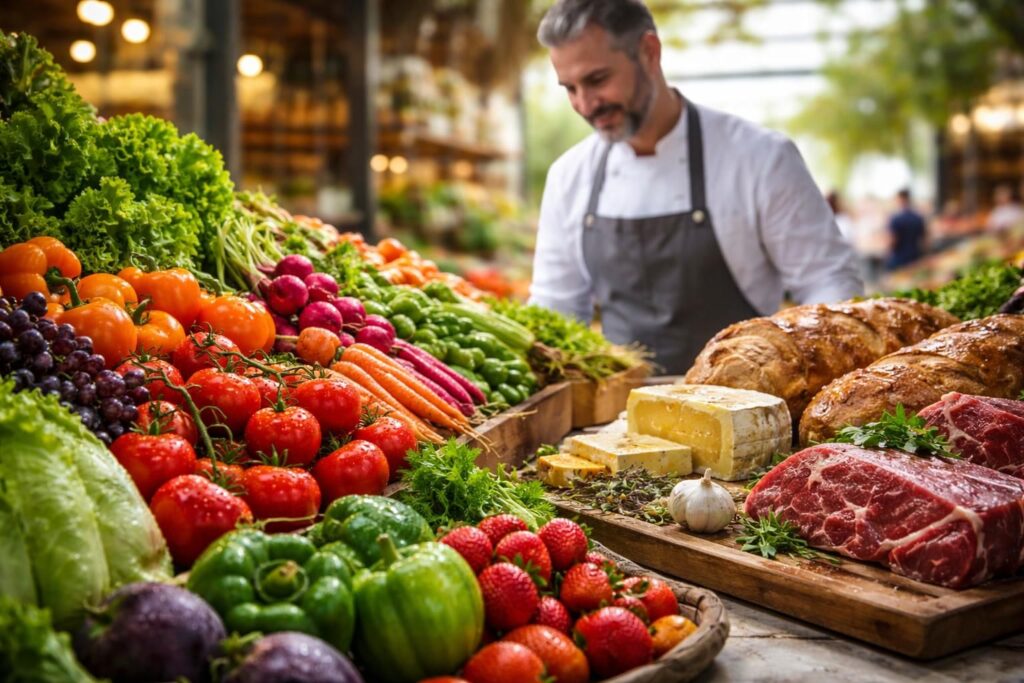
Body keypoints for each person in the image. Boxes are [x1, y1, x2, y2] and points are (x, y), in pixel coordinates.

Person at [528, 0, 863, 374]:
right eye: (569, 88)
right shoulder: (569, 176)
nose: (585, 104)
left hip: (746, 412)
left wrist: (811, 373)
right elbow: (555, 307)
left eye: (597, 80)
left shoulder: (760, 158)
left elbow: (829, 284)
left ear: (649, 52)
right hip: (618, 422)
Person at [885, 189, 927, 271]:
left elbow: (893, 240)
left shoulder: (895, 218)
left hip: (899, 259)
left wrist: (887, 253)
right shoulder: (918, 217)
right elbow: (924, 240)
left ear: (900, 199)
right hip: (914, 256)